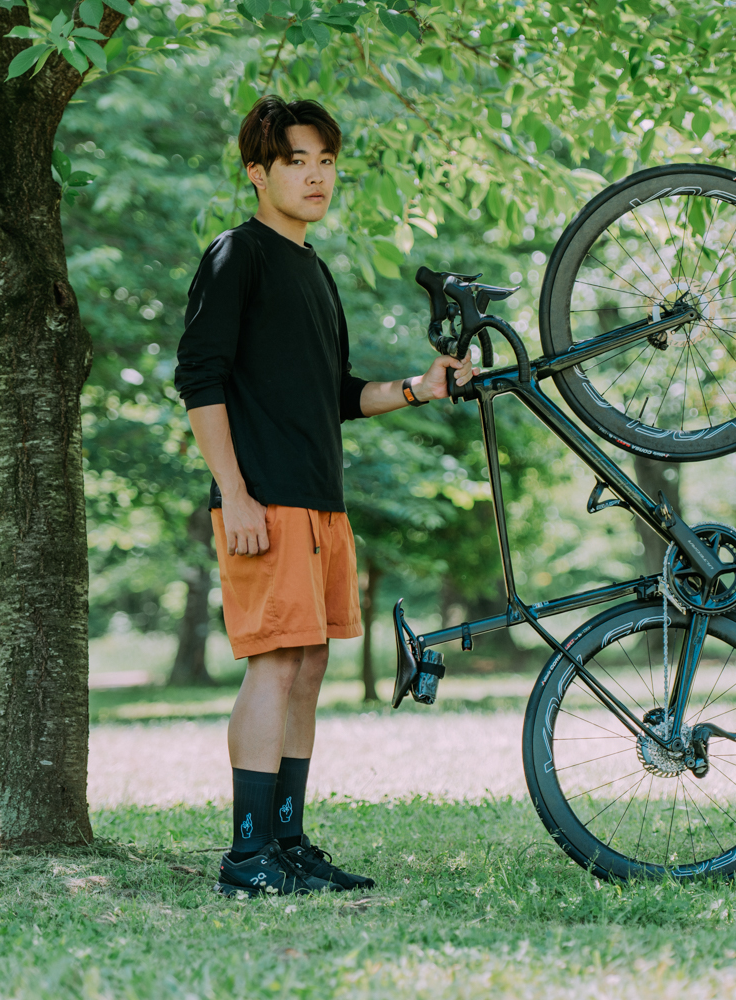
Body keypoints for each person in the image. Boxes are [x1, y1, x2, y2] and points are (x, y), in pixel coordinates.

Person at [174, 96, 475, 897]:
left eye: (326, 162)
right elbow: (199, 380)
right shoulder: (237, 255)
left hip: (319, 500)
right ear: (258, 173)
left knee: (308, 665)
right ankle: (246, 856)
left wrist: (420, 387)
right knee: (273, 667)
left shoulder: (314, 270)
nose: (315, 177)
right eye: (297, 162)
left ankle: (288, 842)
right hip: (262, 499)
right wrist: (234, 495)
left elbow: (337, 393)